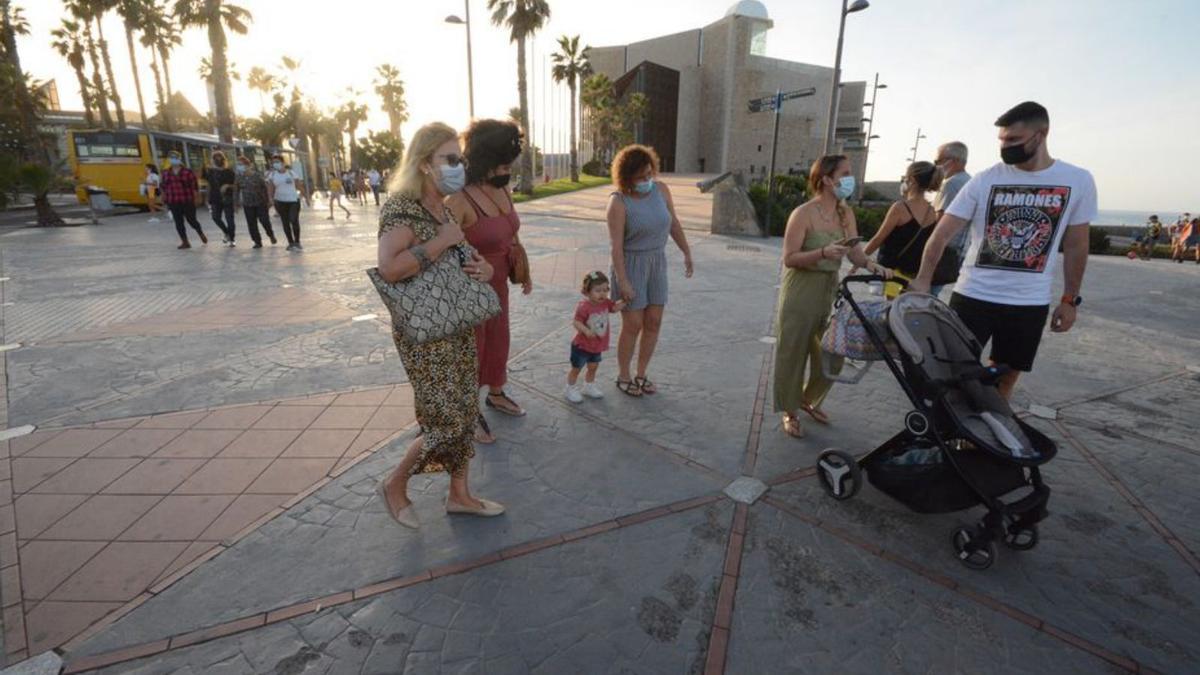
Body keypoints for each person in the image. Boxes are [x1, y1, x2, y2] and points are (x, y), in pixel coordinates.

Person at [908, 101, 1098, 401]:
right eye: (1001, 140)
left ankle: (986, 438)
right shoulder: (986, 180)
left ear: (1042, 134)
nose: (1005, 147)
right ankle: (948, 439)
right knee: (952, 376)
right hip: (973, 296)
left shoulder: (1078, 180)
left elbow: (1077, 245)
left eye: (1013, 140)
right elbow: (941, 234)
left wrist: (1069, 299)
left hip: (1028, 303)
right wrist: (922, 278)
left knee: (1004, 379)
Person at [375, 121, 503, 529]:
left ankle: (460, 495)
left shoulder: (442, 208)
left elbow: (454, 258)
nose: (458, 167)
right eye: (450, 159)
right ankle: (394, 485)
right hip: (426, 333)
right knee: (445, 420)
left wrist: (478, 268)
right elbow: (390, 268)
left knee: (465, 411)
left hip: (456, 323)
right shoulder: (401, 208)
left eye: (460, 159)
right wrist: (442, 242)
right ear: (425, 164)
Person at [773, 155, 890, 439]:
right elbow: (789, 258)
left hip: (830, 287)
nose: (851, 178)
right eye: (845, 173)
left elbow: (855, 252)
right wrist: (823, 253)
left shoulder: (845, 213)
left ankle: (807, 398)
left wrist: (872, 265)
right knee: (793, 352)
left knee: (834, 353)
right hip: (801, 289)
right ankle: (790, 411)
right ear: (826, 179)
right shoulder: (803, 213)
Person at [446, 119, 530, 435]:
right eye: (503, 164)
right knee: (473, 349)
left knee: (499, 339)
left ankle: (495, 394)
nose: (508, 170)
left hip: (498, 284)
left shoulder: (502, 188)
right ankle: (467, 412)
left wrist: (522, 266)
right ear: (485, 160)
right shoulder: (460, 199)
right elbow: (442, 250)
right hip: (470, 287)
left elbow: (510, 231)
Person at [607, 144, 694, 397]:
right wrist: (622, 281)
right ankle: (623, 375)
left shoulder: (661, 190)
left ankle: (641, 373)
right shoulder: (618, 202)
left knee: (654, 322)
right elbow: (616, 247)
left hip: (657, 263)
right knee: (633, 324)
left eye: (649, 173)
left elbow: (673, 224)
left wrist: (686, 252)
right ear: (627, 177)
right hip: (631, 264)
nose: (647, 180)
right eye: (640, 177)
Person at [864, 161, 943, 298]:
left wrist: (861, 258)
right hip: (913, 275)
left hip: (891, 272)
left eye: (905, 178)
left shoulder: (900, 208)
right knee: (903, 314)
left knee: (890, 312)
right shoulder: (932, 212)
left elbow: (879, 238)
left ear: (912, 180)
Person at [566, 271, 626, 403]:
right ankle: (570, 388)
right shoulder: (584, 307)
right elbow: (576, 322)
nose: (602, 294)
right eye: (598, 290)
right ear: (587, 292)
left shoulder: (605, 303)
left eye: (605, 290)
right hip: (581, 346)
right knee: (577, 368)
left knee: (593, 367)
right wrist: (586, 331)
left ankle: (588, 385)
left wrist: (625, 301)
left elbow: (614, 309)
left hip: (596, 346)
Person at [932, 141, 970, 293]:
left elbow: (939, 221)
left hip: (943, 250)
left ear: (953, 161)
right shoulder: (969, 181)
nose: (936, 166)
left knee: (923, 295)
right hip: (958, 250)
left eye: (938, 161)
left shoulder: (951, 184)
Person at [159, 150, 208, 249]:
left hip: (187, 200)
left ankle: (200, 233)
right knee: (178, 222)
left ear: (179, 159)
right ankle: (185, 242)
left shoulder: (187, 172)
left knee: (191, 220)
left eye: (175, 158)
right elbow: (163, 186)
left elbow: (194, 186)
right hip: (173, 201)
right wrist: (163, 196)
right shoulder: (165, 173)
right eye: (171, 158)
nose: (173, 160)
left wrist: (197, 198)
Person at [236, 155, 277, 248]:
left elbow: (265, 187)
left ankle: (270, 234)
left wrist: (269, 200)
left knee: (264, 221)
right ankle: (257, 241)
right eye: (238, 165)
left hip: (260, 203)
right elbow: (236, 190)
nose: (239, 167)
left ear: (247, 165)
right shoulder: (239, 177)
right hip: (247, 204)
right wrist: (236, 203)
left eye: (241, 164)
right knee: (251, 223)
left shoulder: (257, 176)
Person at [267, 154, 303, 251]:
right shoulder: (272, 175)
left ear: (282, 163)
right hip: (280, 201)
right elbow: (270, 187)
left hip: (293, 200)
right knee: (285, 221)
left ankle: (297, 241)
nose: (275, 164)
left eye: (277, 162)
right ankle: (290, 242)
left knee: (293, 219)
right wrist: (270, 198)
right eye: (274, 162)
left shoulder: (291, 173)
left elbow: (298, 185)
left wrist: (305, 196)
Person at [204, 151, 238, 247]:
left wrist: (228, 186)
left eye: (220, 158)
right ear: (213, 160)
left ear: (223, 159)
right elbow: (209, 185)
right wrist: (207, 198)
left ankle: (232, 238)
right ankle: (226, 232)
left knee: (230, 220)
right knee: (215, 217)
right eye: (216, 158)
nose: (218, 160)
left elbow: (236, 186)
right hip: (215, 198)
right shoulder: (210, 172)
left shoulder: (229, 171)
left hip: (228, 198)